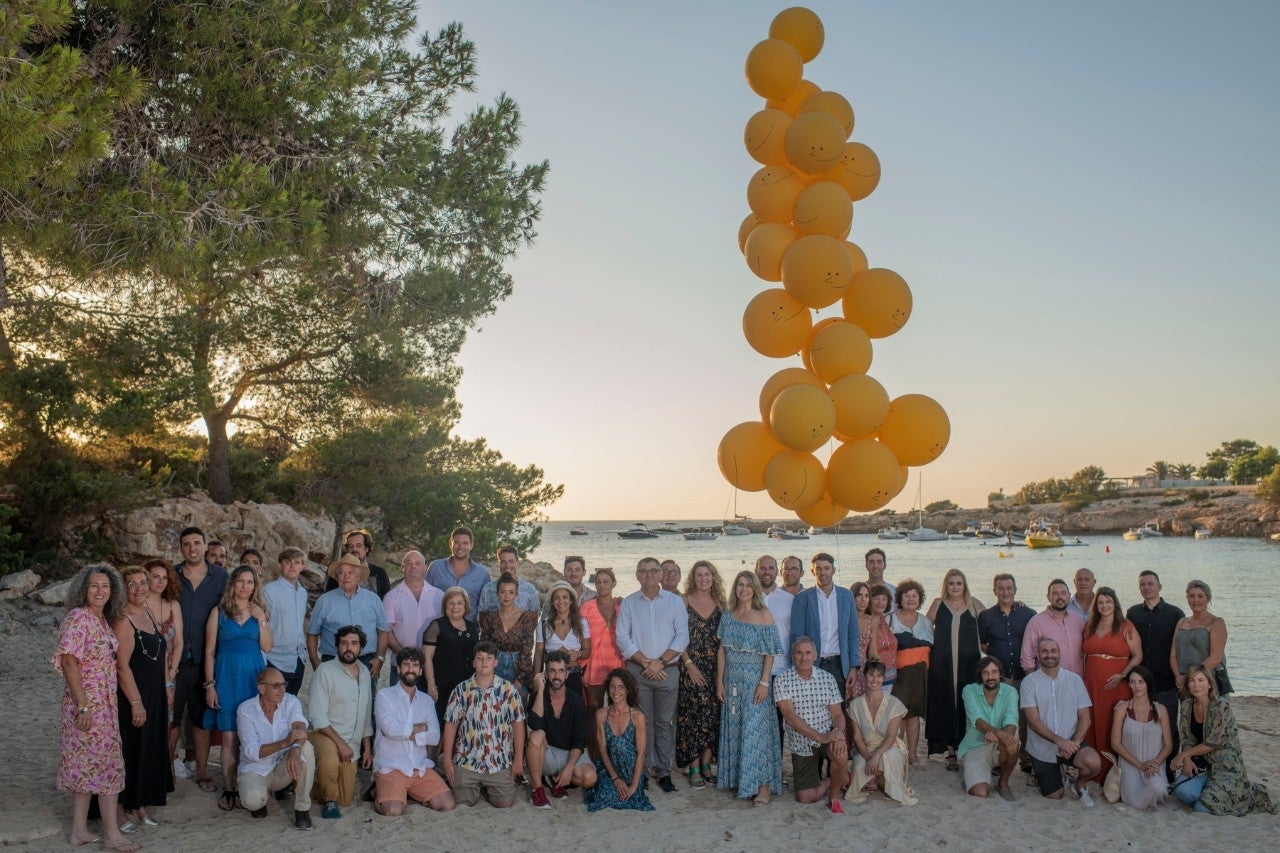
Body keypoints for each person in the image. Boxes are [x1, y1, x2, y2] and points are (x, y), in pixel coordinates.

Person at [55, 564, 139, 851]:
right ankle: (112, 836)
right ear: (83, 590)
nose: (100, 591)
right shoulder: (79, 618)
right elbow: (68, 661)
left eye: (105, 586)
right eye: (94, 586)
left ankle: (79, 831)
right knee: (109, 767)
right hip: (88, 705)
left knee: (84, 767)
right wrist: (82, 706)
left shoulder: (101, 620)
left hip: (104, 704)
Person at [616, 556, 688, 794]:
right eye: (643, 571)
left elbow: (682, 637)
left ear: (660, 575)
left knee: (664, 723)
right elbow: (622, 638)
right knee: (641, 723)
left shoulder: (675, 602)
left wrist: (661, 662)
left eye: (653, 570)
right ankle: (643, 771)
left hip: (668, 671)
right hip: (638, 672)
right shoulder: (628, 603)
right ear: (637, 575)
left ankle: (664, 771)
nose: (648, 575)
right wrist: (647, 662)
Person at [204, 565, 272, 811]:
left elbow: (267, 647)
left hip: (253, 680)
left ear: (255, 586)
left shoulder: (259, 612)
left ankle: (252, 787)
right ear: (233, 584)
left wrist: (261, 619)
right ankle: (229, 789)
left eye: (250, 582)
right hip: (227, 679)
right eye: (241, 581)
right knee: (230, 739)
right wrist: (210, 685)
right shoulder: (219, 612)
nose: (245, 586)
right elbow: (209, 651)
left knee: (253, 737)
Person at [1170, 664, 1275, 815]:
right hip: (1200, 764)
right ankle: (1210, 791)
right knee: (1183, 793)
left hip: (1225, 765)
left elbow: (1213, 743)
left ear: (1209, 684)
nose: (1196, 685)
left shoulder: (1221, 706)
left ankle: (1241, 790)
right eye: (1192, 680)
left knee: (1202, 808)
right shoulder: (1186, 706)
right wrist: (1187, 759)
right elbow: (1187, 739)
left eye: (1201, 680)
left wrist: (1181, 755)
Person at [115, 566, 174, 829]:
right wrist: (136, 702)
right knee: (128, 750)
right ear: (123, 589)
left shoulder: (149, 613)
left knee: (148, 749)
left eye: (143, 582)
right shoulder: (122, 619)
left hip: (155, 693)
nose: (139, 588)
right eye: (132, 584)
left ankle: (139, 804)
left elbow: (161, 654)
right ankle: (118, 810)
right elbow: (121, 665)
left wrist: (167, 685)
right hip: (132, 695)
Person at [716, 571, 783, 805]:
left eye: (747, 585)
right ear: (735, 588)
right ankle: (744, 781)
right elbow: (722, 651)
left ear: (754, 588)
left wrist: (764, 683)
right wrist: (719, 682)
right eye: (739, 585)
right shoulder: (728, 616)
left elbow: (770, 653)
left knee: (758, 733)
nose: (743, 589)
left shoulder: (763, 614)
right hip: (732, 682)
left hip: (756, 681)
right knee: (737, 730)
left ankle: (763, 787)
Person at [173, 526, 229, 793]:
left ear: (206, 546)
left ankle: (203, 770)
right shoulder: (172, 576)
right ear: (181, 548)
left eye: (197, 543)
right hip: (175, 659)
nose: (192, 548)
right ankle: (165, 769)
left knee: (202, 717)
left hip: (208, 659)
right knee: (172, 718)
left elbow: (232, 608)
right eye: (186, 544)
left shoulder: (220, 577)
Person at [441, 642, 526, 808]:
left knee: (504, 803)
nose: (484, 662)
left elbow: (518, 724)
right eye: (479, 658)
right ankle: (470, 782)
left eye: (488, 658)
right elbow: (451, 724)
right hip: (468, 760)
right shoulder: (461, 690)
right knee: (463, 802)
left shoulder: (508, 690)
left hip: (499, 760)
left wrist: (518, 759)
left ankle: (489, 786)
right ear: (473, 663)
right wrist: (447, 759)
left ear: (495, 662)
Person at [372, 648, 456, 815]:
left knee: (447, 804)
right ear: (398, 669)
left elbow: (433, 737)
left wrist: (405, 733)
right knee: (394, 810)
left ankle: (403, 792)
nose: (410, 669)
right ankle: (379, 791)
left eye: (415, 665)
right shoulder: (384, 696)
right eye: (406, 664)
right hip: (391, 767)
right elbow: (390, 729)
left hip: (419, 767)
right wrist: (419, 727)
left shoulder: (426, 700)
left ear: (421, 671)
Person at [1020, 637, 1100, 805]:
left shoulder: (1075, 680)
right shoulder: (1029, 682)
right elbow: (1033, 721)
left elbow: (1085, 717)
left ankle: (1079, 785)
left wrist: (1074, 743)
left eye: (1053, 651)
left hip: (1071, 743)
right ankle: (1047, 771)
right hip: (1042, 747)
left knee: (1093, 762)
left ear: (1060, 653)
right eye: (1044, 651)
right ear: (1037, 655)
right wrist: (1059, 741)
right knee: (1055, 795)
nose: (1050, 655)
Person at [773, 637, 847, 813]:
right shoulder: (782, 680)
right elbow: (790, 716)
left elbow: (837, 714)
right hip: (802, 743)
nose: (803, 658)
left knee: (840, 753)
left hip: (827, 733)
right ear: (792, 656)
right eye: (799, 653)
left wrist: (837, 733)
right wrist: (822, 737)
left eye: (808, 653)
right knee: (805, 798)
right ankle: (838, 779)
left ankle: (833, 798)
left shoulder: (827, 678)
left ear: (815, 656)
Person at [235, 666, 314, 829]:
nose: (282, 689)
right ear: (261, 688)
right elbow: (251, 751)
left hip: (283, 767)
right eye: (276, 686)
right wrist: (285, 743)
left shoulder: (290, 701)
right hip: (256, 768)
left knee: (306, 748)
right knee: (253, 801)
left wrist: (295, 747)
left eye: (283, 684)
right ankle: (262, 800)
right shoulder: (245, 709)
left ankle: (302, 810)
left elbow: (299, 725)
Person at [307, 625, 373, 819]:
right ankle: (329, 803)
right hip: (324, 734)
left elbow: (366, 714)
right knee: (329, 761)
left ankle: (300, 783)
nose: (348, 648)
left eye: (354, 643)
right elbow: (317, 716)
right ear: (337, 647)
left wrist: (366, 747)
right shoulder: (324, 671)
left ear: (361, 648)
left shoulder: (365, 673)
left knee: (345, 798)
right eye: (343, 643)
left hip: (351, 743)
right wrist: (341, 744)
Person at [307, 553, 389, 700]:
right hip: (333, 661)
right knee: (333, 705)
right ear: (337, 577)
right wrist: (314, 660)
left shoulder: (373, 600)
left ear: (358, 576)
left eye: (350, 573)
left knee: (366, 706)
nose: (346, 577)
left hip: (366, 662)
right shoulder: (325, 601)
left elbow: (383, 631)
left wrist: (380, 658)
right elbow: (312, 633)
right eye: (342, 573)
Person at [1126, 570, 1185, 772]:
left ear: (1159, 586)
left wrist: (1181, 677)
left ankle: (1168, 772)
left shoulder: (1175, 614)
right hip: (1140, 683)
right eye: (1142, 584)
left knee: (1170, 730)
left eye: (1150, 583)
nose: (1146, 587)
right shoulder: (1133, 613)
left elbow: (1181, 649)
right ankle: (1143, 767)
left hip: (1167, 682)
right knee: (1142, 728)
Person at [925, 568, 984, 770]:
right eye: (951, 583)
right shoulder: (938, 604)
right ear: (946, 585)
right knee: (946, 704)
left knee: (967, 704)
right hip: (942, 664)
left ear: (964, 585)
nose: (955, 587)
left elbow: (992, 622)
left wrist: (1017, 605)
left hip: (969, 664)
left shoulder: (974, 604)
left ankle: (966, 748)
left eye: (959, 583)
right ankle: (950, 751)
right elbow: (922, 628)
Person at [1081, 586, 1142, 779]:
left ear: (1114, 603)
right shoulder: (1089, 625)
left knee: (1111, 724)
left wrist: (1122, 675)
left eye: (1108, 601)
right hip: (1090, 684)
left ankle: (1114, 771)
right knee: (1091, 722)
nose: (1104, 605)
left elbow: (1137, 655)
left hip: (1115, 684)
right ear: (1095, 605)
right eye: (1100, 602)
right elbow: (1083, 654)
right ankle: (1094, 769)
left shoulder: (1125, 626)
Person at [526, 650, 597, 808]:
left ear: (567, 674)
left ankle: (555, 779)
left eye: (561, 671)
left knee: (589, 778)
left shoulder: (576, 700)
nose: (556, 676)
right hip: (547, 754)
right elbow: (535, 725)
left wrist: (569, 767)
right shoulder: (539, 696)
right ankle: (537, 789)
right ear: (546, 673)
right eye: (552, 671)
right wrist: (539, 690)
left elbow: (580, 740)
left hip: (569, 753)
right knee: (536, 736)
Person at [677, 560, 725, 789]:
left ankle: (707, 766)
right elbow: (675, 636)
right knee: (693, 717)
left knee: (712, 717)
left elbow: (724, 641)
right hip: (690, 667)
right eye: (699, 575)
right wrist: (688, 664)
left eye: (707, 574)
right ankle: (694, 767)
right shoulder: (683, 601)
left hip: (716, 668)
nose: (704, 578)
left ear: (713, 577)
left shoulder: (722, 603)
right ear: (693, 578)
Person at [847, 661, 917, 806]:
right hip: (866, 748)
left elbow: (891, 737)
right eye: (871, 675)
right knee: (860, 764)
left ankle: (885, 783)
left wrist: (876, 756)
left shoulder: (894, 703)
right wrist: (868, 758)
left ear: (884, 678)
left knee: (889, 756)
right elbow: (857, 738)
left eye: (879, 676)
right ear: (864, 677)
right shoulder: (855, 705)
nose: (875, 679)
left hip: (889, 746)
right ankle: (875, 779)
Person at [789, 553, 860, 696]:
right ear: (812, 571)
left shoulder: (846, 596)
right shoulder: (802, 598)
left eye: (827, 568)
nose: (823, 572)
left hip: (838, 664)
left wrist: (853, 666)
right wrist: (799, 664)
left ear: (833, 570)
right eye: (819, 568)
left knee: (837, 711)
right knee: (810, 709)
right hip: (811, 663)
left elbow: (853, 634)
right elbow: (797, 636)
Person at [584, 668, 654, 811]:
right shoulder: (601, 714)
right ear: (608, 689)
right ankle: (619, 787)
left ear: (628, 690)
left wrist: (634, 785)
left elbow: (641, 753)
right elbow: (602, 749)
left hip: (631, 771)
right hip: (610, 771)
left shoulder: (637, 717)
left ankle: (631, 789)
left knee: (618, 744)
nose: (616, 691)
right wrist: (615, 779)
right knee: (602, 797)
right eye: (612, 686)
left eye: (621, 687)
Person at [143, 558, 184, 778]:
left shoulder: (173, 605)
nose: (160, 581)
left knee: (164, 725)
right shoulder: (136, 603)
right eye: (155, 576)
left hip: (168, 675)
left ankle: (160, 774)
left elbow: (179, 643)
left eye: (164, 578)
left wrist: (171, 674)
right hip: (143, 674)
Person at [1110, 665, 1172, 810]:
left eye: (1141, 681)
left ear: (1148, 684)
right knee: (1137, 801)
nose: (1136, 686)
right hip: (1131, 764)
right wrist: (1140, 765)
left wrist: (1156, 763)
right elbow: (1115, 744)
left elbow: (1168, 745)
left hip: (1153, 765)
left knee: (1158, 790)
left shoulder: (1160, 709)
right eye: (1132, 682)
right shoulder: (1122, 709)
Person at [958, 656, 1019, 800]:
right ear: (980, 675)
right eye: (985, 672)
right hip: (975, 747)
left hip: (998, 746)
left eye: (994, 672)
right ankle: (976, 774)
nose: (990, 676)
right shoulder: (969, 690)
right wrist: (998, 733)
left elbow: (1012, 721)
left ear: (1000, 674)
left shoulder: (1010, 692)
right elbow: (977, 720)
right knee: (981, 793)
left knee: (1012, 746)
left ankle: (1003, 783)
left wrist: (1000, 738)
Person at [888, 579, 932, 768]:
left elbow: (933, 647)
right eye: (907, 595)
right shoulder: (889, 619)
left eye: (915, 596)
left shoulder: (926, 621)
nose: (911, 599)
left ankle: (912, 755)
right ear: (900, 598)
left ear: (920, 599)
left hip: (920, 674)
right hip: (897, 675)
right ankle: (897, 753)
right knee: (897, 716)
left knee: (914, 717)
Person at [383, 550, 443, 686]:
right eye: (408, 563)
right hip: (401, 664)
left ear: (425, 567)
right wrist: (404, 654)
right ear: (402, 568)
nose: (413, 566)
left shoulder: (439, 596)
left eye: (417, 563)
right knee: (399, 706)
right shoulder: (391, 597)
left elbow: (444, 628)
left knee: (427, 705)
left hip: (431, 665)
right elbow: (387, 631)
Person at [421, 586, 479, 726]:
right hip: (442, 686)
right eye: (451, 603)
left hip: (467, 686)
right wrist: (431, 685)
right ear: (445, 606)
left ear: (465, 606)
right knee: (441, 725)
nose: (455, 607)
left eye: (460, 603)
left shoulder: (473, 628)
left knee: (464, 726)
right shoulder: (436, 626)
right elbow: (427, 658)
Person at [581, 568, 623, 760]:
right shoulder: (587, 607)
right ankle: (595, 754)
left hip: (617, 663)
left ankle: (616, 751)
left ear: (614, 583)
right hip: (595, 664)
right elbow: (581, 636)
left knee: (619, 709)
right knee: (593, 711)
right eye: (598, 582)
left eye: (606, 581)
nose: (601, 585)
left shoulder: (622, 607)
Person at [478, 572, 538, 694]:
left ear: (516, 595)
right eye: (503, 591)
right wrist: (487, 675)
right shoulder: (491, 618)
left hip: (518, 668)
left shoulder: (525, 618)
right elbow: (484, 649)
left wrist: (519, 679)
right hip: (494, 668)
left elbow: (527, 651)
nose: (506, 596)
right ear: (497, 594)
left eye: (511, 592)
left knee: (518, 710)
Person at [1171, 579, 1230, 696]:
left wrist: (1189, 678)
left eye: (1200, 596)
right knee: (1188, 713)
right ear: (1187, 598)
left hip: (1209, 681)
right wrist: (1178, 677)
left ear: (1208, 598)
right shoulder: (1181, 622)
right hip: (1185, 683)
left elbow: (1216, 658)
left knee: (1214, 713)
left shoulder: (1216, 622)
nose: (1195, 600)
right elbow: (1173, 655)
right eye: (1191, 596)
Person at [262, 547, 308, 696]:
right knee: (272, 705)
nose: (292, 566)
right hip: (275, 660)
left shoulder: (302, 593)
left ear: (303, 566)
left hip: (298, 659)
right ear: (280, 564)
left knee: (290, 704)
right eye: (287, 562)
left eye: (297, 562)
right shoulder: (269, 591)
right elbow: (262, 624)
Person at [534, 581, 592, 695]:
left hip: (573, 674)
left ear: (571, 600)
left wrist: (578, 654)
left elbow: (587, 651)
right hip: (551, 676)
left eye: (565, 597)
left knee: (573, 710)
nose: (561, 602)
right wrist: (536, 678)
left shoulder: (581, 623)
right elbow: (538, 654)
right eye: (556, 598)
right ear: (552, 602)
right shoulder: (543, 625)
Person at [1020, 578, 1085, 677]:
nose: (1060, 597)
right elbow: (1027, 656)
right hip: (1048, 682)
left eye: (1063, 593)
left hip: (1077, 681)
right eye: (1055, 593)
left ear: (1069, 596)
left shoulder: (1078, 621)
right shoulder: (1036, 622)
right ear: (1048, 597)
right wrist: (1033, 682)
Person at [425, 526, 490, 611]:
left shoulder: (482, 573)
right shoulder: (436, 567)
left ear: (471, 545)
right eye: (457, 542)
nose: (460, 546)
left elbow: (487, 605)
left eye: (465, 543)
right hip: (438, 623)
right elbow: (424, 597)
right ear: (450, 543)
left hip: (469, 623)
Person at [850, 584, 897, 699]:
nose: (880, 602)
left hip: (873, 671)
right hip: (853, 667)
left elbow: (873, 652)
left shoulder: (875, 620)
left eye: (866, 596)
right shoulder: (850, 618)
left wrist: (879, 671)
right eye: (876, 598)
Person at [324, 528, 391, 598]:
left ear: (367, 549)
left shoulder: (379, 573)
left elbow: (386, 601)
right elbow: (329, 598)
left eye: (358, 545)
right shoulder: (338, 572)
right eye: (350, 546)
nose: (354, 549)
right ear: (347, 549)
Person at [476, 544, 541, 613]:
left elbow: (535, 618)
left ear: (517, 563)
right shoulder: (488, 589)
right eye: (503, 562)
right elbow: (481, 617)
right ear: (498, 564)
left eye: (511, 561)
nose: (507, 566)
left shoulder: (530, 589)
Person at [863, 548, 896, 612]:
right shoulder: (859, 590)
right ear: (866, 566)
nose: (875, 566)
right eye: (871, 562)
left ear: (885, 566)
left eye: (879, 562)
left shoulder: (895, 591)